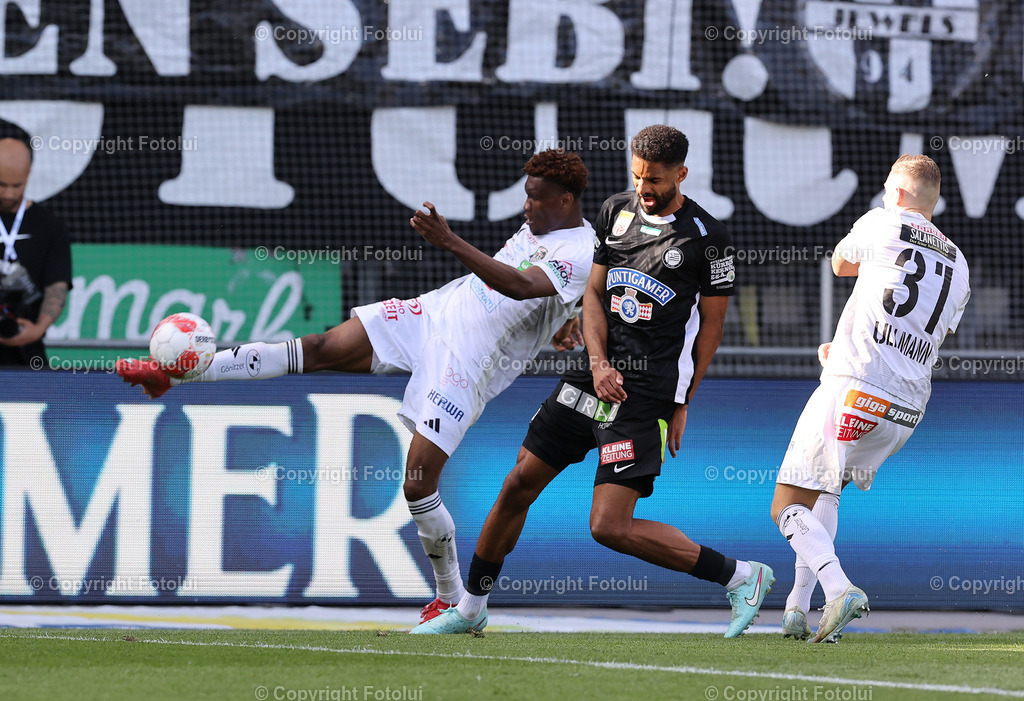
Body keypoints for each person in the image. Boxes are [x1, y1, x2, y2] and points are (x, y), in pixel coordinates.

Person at [116, 149, 596, 623]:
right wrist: (569, 316)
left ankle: (451, 599)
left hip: (469, 362)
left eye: (536, 198)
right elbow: (554, 292)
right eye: (526, 196)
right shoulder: (544, 226)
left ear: (566, 200)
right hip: (434, 313)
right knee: (323, 346)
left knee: (417, 482)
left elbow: (519, 285)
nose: (526, 206)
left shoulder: (577, 249)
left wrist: (450, 241)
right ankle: (181, 371)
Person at [412, 125, 774, 637]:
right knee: (518, 483)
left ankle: (741, 576)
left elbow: (710, 330)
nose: (646, 188)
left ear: (682, 175)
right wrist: (599, 363)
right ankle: (470, 608)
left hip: (642, 392)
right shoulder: (615, 211)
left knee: (608, 526)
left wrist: (682, 401)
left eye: (657, 180)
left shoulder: (709, 240)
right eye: (639, 175)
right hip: (592, 374)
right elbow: (595, 296)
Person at [771, 154, 970, 643]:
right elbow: (921, 325)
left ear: (898, 194)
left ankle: (839, 590)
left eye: (886, 188)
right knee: (827, 490)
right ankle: (799, 607)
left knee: (785, 506)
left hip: (855, 386)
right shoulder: (960, 263)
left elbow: (841, 263)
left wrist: (848, 358)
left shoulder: (884, 220)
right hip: (906, 408)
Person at [0, 136, 72, 367]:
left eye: (17, 185)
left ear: (29, 173)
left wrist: (39, 328)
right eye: (1, 184)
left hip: (26, 352)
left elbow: (57, 286)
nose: (9, 194)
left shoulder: (49, 226)